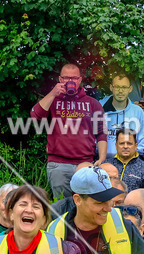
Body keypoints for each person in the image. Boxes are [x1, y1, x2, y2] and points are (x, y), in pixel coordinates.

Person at [31, 63, 108, 199]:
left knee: (86, 204)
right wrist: (53, 93)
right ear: (60, 79)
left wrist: (101, 158)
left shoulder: (92, 103)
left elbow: (101, 132)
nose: (70, 81)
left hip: (85, 164)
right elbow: (35, 117)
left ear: (80, 80)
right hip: (59, 165)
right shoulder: (53, 101)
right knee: (62, 205)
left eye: (74, 78)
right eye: (66, 78)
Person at [101, 74, 144, 159]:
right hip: (104, 162)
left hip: (129, 162)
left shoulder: (138, 112)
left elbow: (143, 141)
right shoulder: (100, 108)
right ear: (111, 88)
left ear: (130, 89)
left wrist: (135, 161)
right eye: (117, 87)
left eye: (124, 87)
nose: (120, 91)